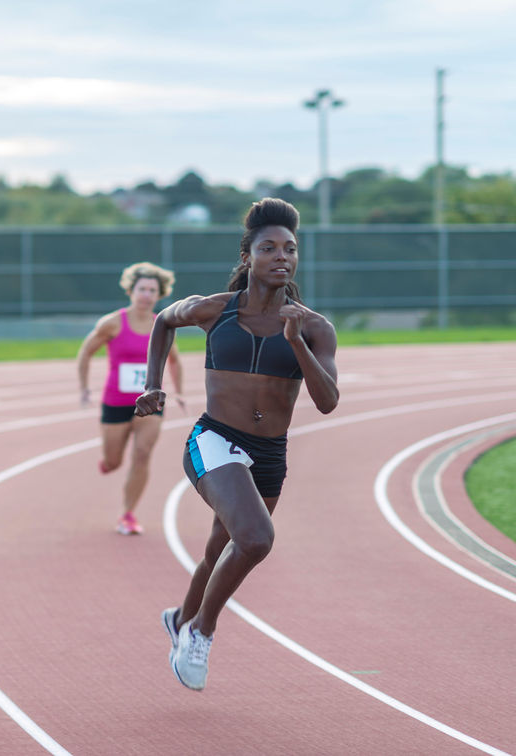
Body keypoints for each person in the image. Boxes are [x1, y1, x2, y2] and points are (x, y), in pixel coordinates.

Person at [135, 198, 339, 691]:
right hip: (215, 439)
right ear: (248, 256)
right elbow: (164, 321)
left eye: (290, 249)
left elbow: (328, 401)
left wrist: (295, 344)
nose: (282, 257)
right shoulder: (215, 311)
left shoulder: (313, 328)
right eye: (269, 248)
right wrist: (152, 383)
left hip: (270, 455)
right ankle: (201, 632)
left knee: (219, 547)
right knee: (256, 539)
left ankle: (180, 616)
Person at [76, 262, 184, 535]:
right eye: (142, 289)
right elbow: (85, 352)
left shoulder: (162, 324)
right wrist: (84, 388)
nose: (146, 294)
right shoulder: (112, 323)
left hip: (150, 402)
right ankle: (109, 462)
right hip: (116, 401)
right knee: (113, 461)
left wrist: (179, 391)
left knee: (143, 453)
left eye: (152, 290)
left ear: (159, 294)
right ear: (131, 291)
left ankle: (128, 514)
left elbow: (175, 360)